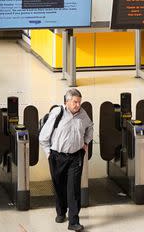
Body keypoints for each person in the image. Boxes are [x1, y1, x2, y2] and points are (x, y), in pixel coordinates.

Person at [40, 88, 94, 231]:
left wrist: (86, 142)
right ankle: (61, 212)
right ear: (67, 101)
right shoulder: (57, 113)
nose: (78, 105)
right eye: (75, 102)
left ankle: (74, 221)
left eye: (79, 102)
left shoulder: (83, 114)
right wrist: (48, 153)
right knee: (59, 186)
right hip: (56, 156)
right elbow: (43, 136)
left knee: (74, 189)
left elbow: (90, 127)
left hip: (76, 157)